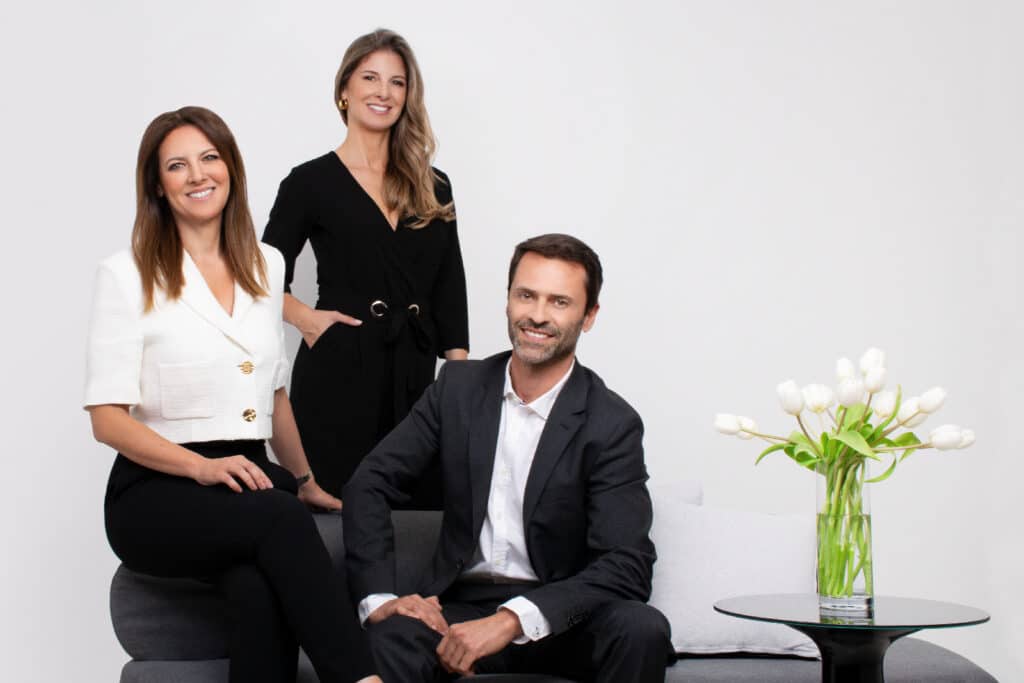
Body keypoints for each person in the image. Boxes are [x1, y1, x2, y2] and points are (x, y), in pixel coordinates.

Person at [85, 106, 380, 683]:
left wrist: (305, 480)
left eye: (209, 158)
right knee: (278, 516)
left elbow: (274, 393)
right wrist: (201, 468)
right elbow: (106, 420)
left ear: (231, 169)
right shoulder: (126, 274)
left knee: (256, 585)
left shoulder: (267, 264)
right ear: (158, 185)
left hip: (246, 478)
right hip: (154, 490)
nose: (198, 175)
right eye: (177, 165)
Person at [342, 234, 673, 682]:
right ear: (508, 300)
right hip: (460, 610)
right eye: (526, 295)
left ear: (589, 315)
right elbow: (371, 482)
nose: (537, 315)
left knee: (641, 628)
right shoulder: (456, 389)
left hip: (564, 617)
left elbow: (627, 563)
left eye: (559, 302)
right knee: (391, 635)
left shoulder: (611, 422)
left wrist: (513, 619)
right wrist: (381, 599)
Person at [262, 28, 469, 501]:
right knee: (334, 513)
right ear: (344, 90)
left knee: (418, 514)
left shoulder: (434, 185)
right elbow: (259, 276)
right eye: (370, 78)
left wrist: (458, 379)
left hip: (415, 376)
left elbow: (449, 284)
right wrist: (307, 320)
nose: (384, 92)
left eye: (397, 82)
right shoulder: (308, 182)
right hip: (339, 368)